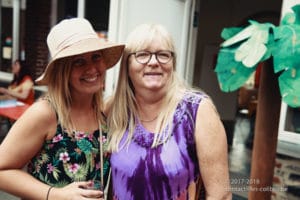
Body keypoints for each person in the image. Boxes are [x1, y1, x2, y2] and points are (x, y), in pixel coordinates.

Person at [0, 18, 124, 200]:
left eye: (96, 57)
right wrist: (55, 194)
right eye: (79, 61)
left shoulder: (103, 112)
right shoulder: (46, 113)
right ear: (62, 70)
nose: (92, 68)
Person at [107, 23, 232, 200]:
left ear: (172, 63)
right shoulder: (115, 108)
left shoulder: (198, 110)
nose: (153, 62)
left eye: (163, 55)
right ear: (127, 65)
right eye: (142, 54)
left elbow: (221, 195)